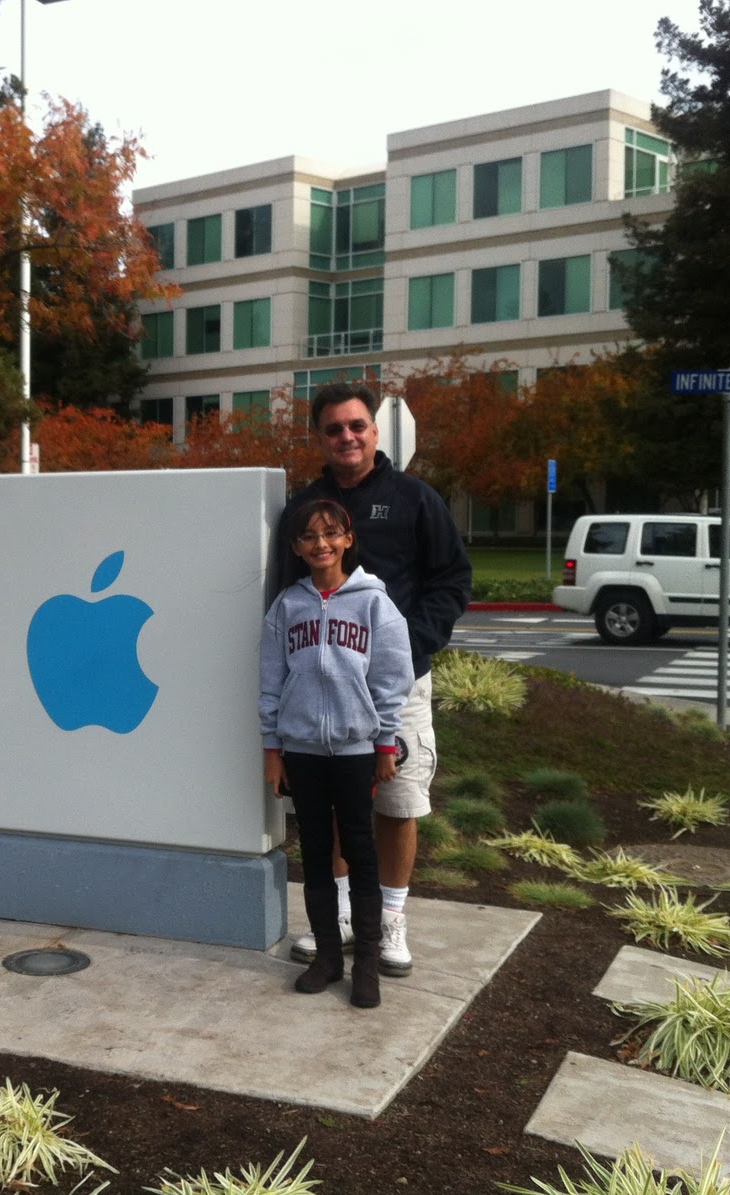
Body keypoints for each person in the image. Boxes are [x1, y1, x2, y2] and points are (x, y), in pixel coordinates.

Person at [281, 381, 472, 979]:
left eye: (356, 425)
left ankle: (389, 918)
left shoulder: (415, 499)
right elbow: (284, 596)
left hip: (398, 689)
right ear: (320, 437)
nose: (347, 436)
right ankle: (341, 916)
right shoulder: (303, 507)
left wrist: (409, 645)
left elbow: (452, 580)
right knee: (335, 806)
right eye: (334, 428)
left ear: (374, 429)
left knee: (396, 803)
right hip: (324, 692)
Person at [261, 497, 415, 1007]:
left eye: (330, 533)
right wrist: (273, 748)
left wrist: (385, 743)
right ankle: (328, 956)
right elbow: (271, 681)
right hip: (302, 749)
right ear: (295, 547)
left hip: (354, 750)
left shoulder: (373, 604)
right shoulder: (288, 606)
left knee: (359, 850)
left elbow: (392, 678)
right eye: (308, 536)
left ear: (348, 539)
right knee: (314, 852)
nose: (320, 544)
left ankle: (366, 962)